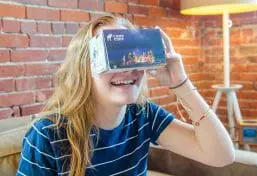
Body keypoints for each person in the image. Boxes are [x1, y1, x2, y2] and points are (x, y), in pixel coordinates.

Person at [16, 15, 235, 176]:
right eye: (112, 54)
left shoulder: (143, 115)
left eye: (133, 53)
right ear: (84, 67)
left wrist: (180, 83)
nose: (127, 68)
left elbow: (221, 155)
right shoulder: (47, 134)